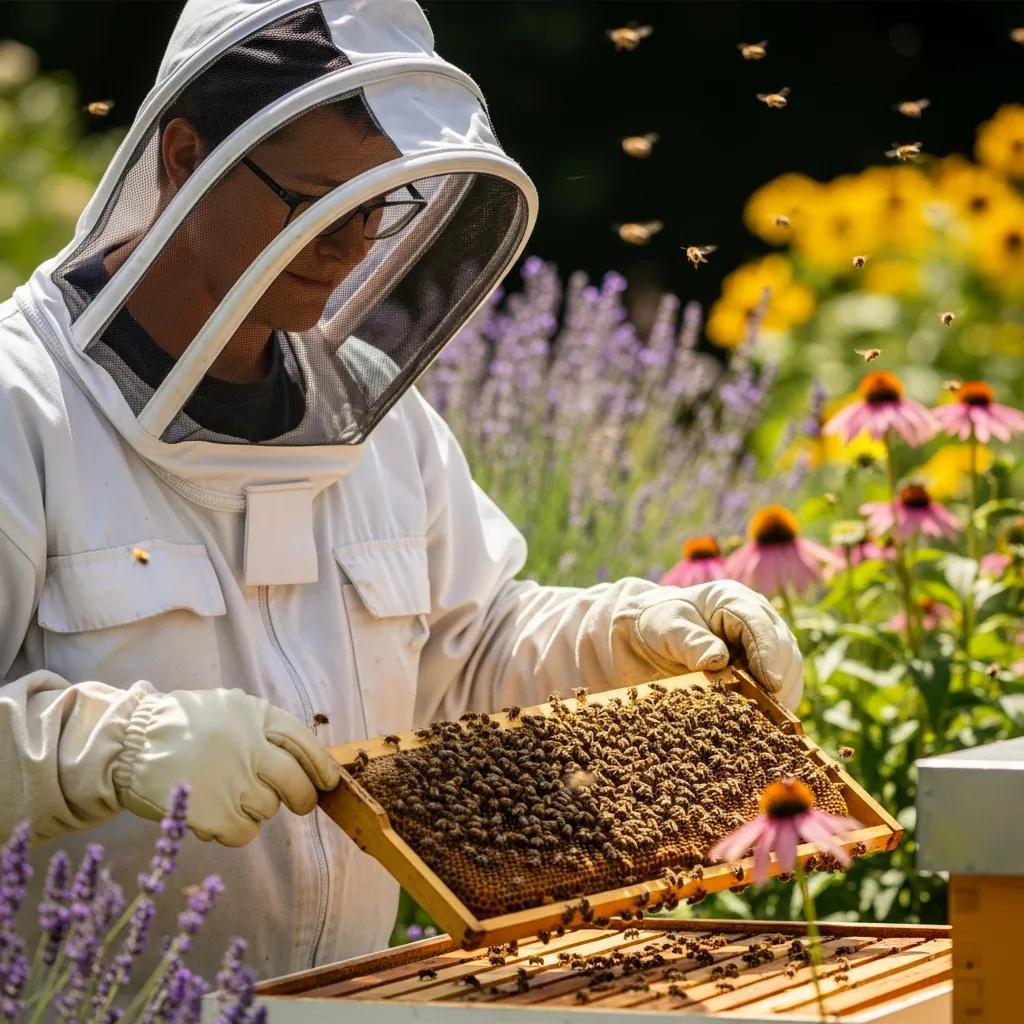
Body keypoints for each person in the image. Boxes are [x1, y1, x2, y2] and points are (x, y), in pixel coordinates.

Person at [0, 0, 804, 1000]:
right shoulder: (20, 409)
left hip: (354, 1002)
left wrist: (631, 634)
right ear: (183, 154)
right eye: (309, 197)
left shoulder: (378, 418)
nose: (348, 242)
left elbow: (469, 651)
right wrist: (107, 751)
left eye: (377, 200)